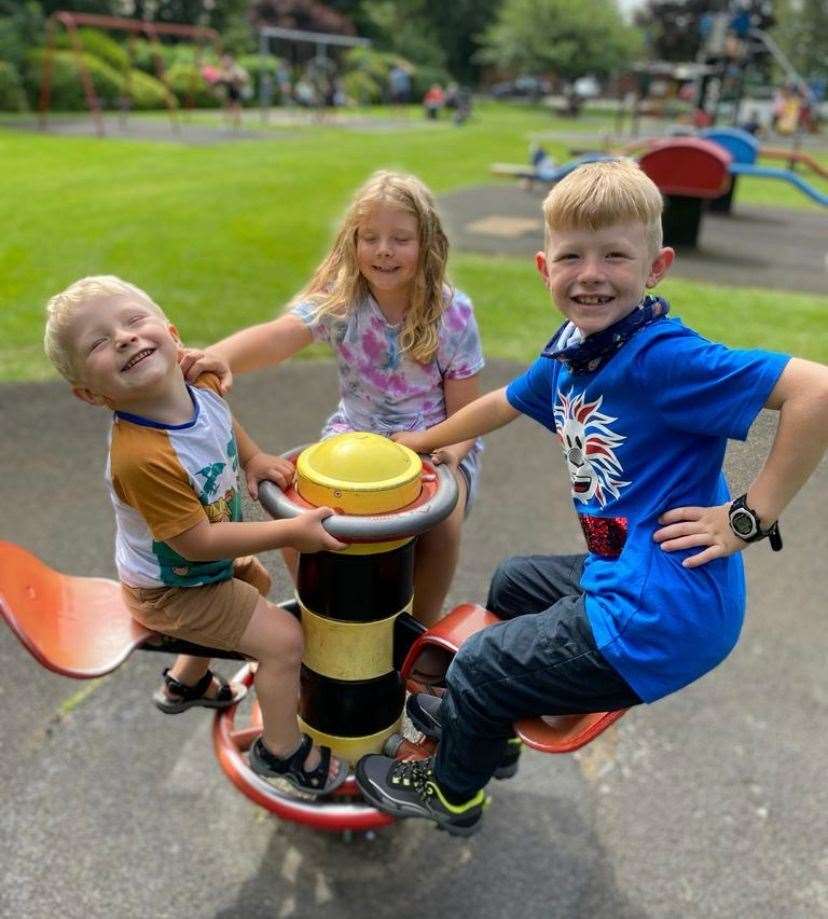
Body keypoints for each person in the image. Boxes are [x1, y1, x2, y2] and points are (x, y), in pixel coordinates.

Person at [353, 159, 828, 836]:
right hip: (628, 572)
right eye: (573, 255)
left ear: (656, 266)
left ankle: (453, 791)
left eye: (615, 255)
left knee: (482, 666)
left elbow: (816, 391)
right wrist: (430, 442)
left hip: (661, 615)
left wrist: (748, 517)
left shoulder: (663, 359)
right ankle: (494, 733)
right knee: (515, 581)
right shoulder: (579, 350)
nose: (592, 273)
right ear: (546, 268)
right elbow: (501, 402)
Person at [43, 275, 349, 796]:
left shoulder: (195, 382)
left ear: (171, 332)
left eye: (134, 320)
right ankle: (281, 751)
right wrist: (290, 531)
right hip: (171, 588)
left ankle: (185, 681)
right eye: (98, 342)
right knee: (283, 643)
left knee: (254, 588)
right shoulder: (144, 458)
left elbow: (221, 421)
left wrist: (252, 460)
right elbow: (197, 542)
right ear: (90, 394)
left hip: (195, 572)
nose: (123, 337)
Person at [179, 171, 485, 642]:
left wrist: (451, 454)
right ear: (353, 243)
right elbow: (279, 338)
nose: (384, 250)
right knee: (293, 505)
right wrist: (220, 356)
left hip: (433, 441)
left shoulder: (452, 311)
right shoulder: (343, 301)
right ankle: (322, 606)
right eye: (371, 238)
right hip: (355, 434)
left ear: (427, 244)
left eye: (400, 239)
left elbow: (466, 413)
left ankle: (418, 629)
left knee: (441, 523)